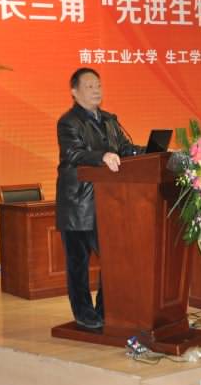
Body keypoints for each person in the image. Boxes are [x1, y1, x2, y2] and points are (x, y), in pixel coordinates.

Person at [55, 67, 140, 329]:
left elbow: (125, 149)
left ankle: (106, 308)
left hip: (107, 202)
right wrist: (101, 156)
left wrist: (155, 152)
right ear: (74, 92)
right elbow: (73, 153)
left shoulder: (109, 120)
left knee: (113, 259)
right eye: (89, 86)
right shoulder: (68, 122)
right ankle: (83, 313)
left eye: (99, 85)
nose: (96, 90)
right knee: (78, 263)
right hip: (78, 204)